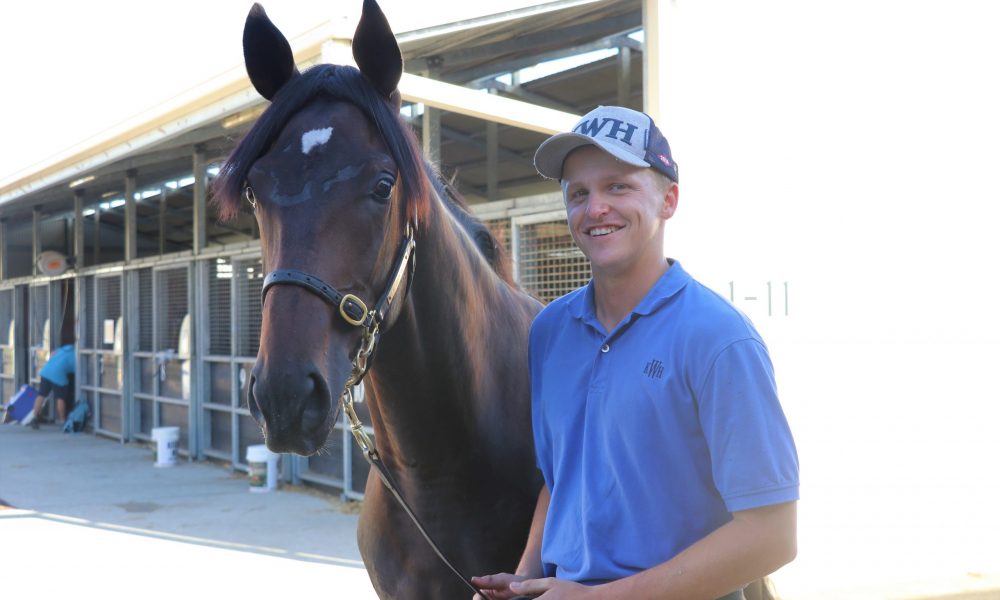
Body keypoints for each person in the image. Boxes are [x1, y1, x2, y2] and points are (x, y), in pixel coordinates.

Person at [473, 106, 799, 600]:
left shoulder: (719, 339)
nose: (595, 208)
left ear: (669, 200)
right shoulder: (550, 332)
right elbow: (561, 480)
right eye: (578, 193)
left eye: (618, 186)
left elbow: (772, 536)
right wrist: (524, 578)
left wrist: (595, 598)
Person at [29, 341, 76, 430]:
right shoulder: (75, 355)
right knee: (60, 398)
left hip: (46, 372)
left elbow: (51, 354)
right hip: (59, 376)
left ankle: (34, 417)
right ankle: (63, 421)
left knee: (41, 395)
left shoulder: (61, 349)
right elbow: (76, 370)